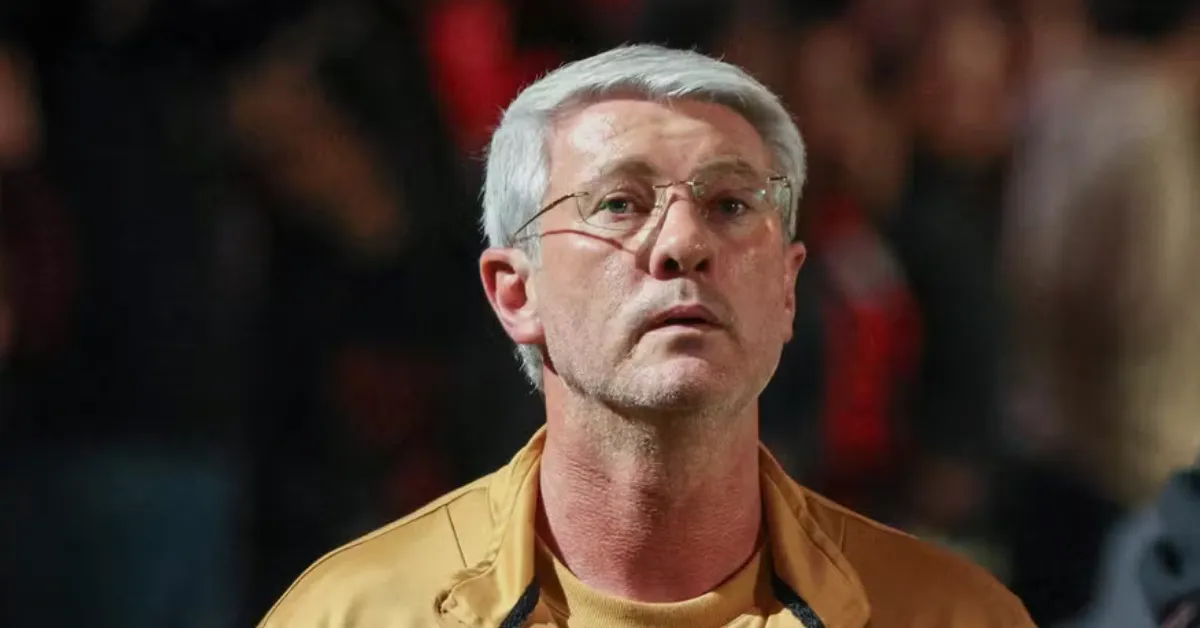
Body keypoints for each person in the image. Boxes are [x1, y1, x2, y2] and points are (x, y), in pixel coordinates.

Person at [259, 45, 1033, 628]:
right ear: (516, 292)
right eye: (620, 204)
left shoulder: (951, 616)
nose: (683, 243)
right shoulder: (356, 614)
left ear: (788, 288)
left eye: (731, 205)